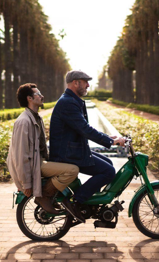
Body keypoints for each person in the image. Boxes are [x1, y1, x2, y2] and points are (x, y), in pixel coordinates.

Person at [49, 70, 126, 223]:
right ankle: (77, 201)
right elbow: (85, 130)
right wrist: (110, 142)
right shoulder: (68, 103)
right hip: (66, 154)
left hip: (71, 150)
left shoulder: (71, 100)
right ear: (75, 83)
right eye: (85, 82)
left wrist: (109, 137)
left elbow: (82, 128)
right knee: (109, 171)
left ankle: (91, 203)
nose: (88, 85)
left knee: (109, 164)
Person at [7, 83, 80, 215]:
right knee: (72, 170)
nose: (42, 96)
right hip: (34, 165)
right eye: (38, 94)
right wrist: (26, 184)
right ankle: (45, 196)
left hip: (38, 162)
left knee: (71, 164)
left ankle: (52, 196)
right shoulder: (24, 121)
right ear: (29, 98)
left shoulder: (35, 117)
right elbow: (20, 156)